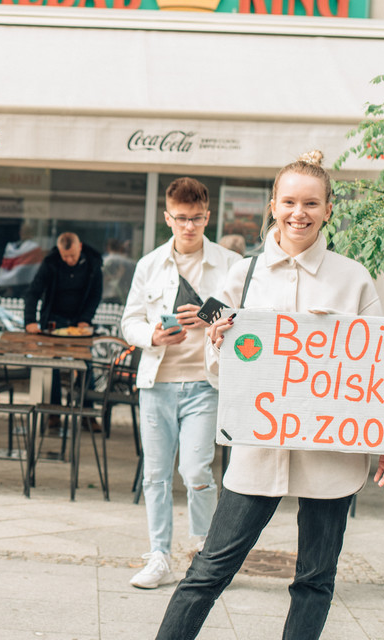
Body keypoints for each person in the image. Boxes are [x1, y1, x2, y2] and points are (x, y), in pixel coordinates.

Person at [154, 151, 384, 640]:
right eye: (289, 201)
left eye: (311, 203)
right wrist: (218, 344)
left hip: (332, 454)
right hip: (258, 449)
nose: (300, 213)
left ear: (328, 209)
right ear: (273, 205)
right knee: (208, 571)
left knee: (315, 580)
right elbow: (220, 376)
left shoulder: (352, 277)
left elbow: (381, 364)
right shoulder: (242, 276)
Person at [121, 177, 240, 589]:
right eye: (181, 219)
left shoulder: (228, 263)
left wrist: (207, 318)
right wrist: (152, 335)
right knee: (154, 475)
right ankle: (158, 556)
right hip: (157, 381)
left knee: (195, 470)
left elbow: (244, 320)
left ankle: (206, 553)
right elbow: (129, 321)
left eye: (196, 219)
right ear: (167, 217)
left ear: (208, 216)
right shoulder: (149, 264)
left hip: (205, 383)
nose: (188, 227)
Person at [24, 232, 103, 428]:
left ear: (80, 247)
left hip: (79, 321)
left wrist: (85, 320)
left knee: (86, 364)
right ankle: (54, 412)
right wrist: (30, 321)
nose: (68, 260)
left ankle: (87, 412)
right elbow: (33, 292)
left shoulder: (93, 264)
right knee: (54, 367)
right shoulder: (50, 263)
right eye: (65, 256)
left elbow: (95, 295)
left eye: (72, 256)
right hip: (54, 320)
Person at [0, 223, 43, 296]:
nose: (23, 233)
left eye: (26, 231)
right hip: (13, 286)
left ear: (31, 233)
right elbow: (6, 265)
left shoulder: (35, 249)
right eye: (22, 231)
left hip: (28, 285)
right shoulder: (12, 248)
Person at [102, 238, 136, 304]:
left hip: (105, 299)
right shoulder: (132, 264)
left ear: (108, 248)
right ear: (120, 248)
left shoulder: (102, 262)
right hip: (123, 298)